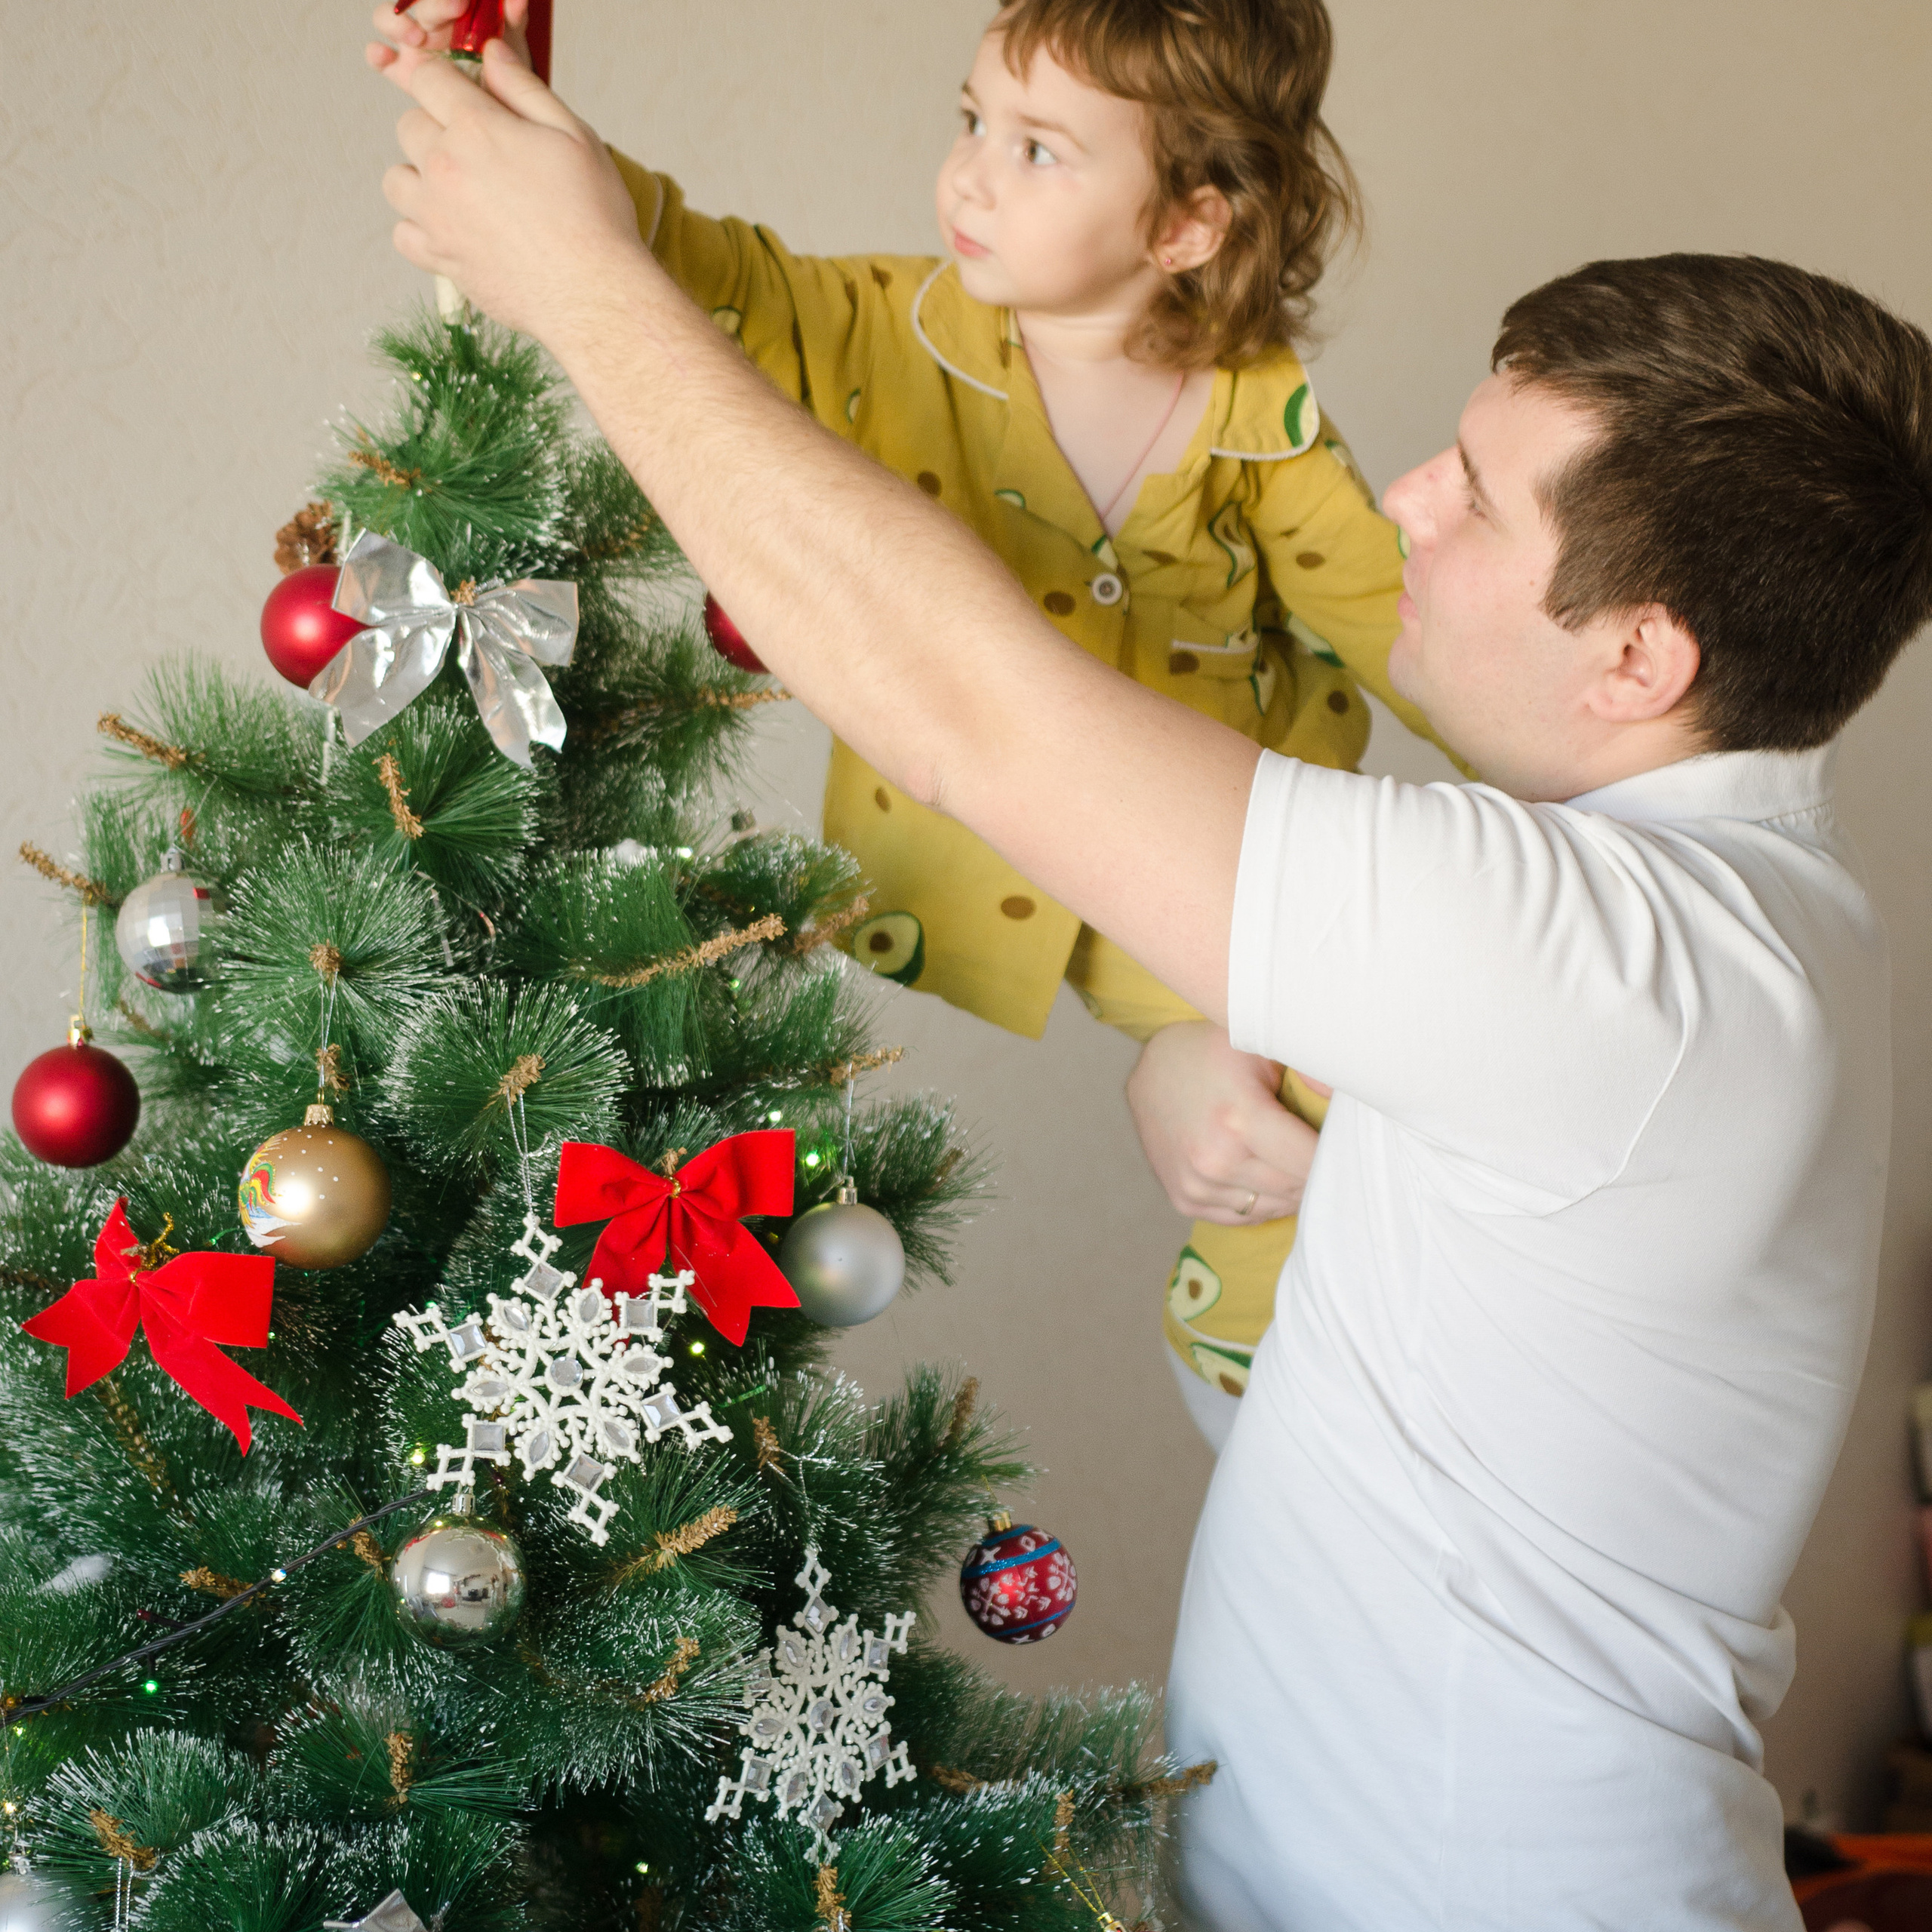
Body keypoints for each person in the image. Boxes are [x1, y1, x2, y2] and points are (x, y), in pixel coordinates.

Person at [365, 35, 1932, 1932]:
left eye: (1481, 500)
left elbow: (961, 709)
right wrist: (1222, 1060)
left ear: (1635, 656)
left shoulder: (1603, 947)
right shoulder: (1741, 923)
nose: (1406, 499)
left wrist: (580, 289)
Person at [372, 0, 1453, 1451]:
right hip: (991, 856)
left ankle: (1258, 1350)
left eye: (1038, 150)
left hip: (1212, 871)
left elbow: (1405, 631)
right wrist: (494, 89)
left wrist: (1575, 800)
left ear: (1191, 223)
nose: (970, 178)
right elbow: (679, 257)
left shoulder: (1260, 419)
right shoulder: (885, 329)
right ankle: (1277, 1374)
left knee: (1359, 1086)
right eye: (970, 123)